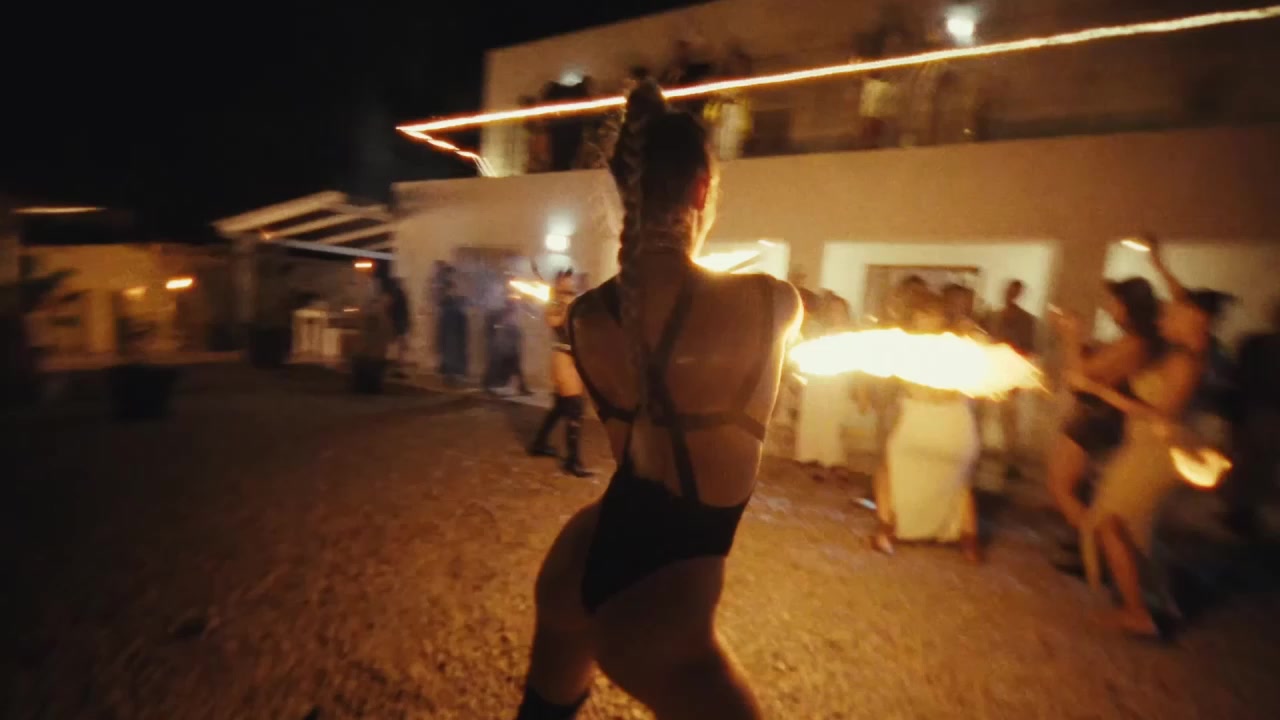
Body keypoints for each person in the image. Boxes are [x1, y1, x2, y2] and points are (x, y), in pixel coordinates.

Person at [513, 81, 801, 720]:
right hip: (665, 611)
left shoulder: (587, 316)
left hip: (581, 559)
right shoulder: (771, 304)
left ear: (627, 191)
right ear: (702, 189)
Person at [1066, 291, 1218, 637]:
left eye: (1172, 315)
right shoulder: (1178, 354)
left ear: (1193, 321)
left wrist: (1103, 393)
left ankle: (1138, 612)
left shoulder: (1186, 361)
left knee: (1110, 523)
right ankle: (1150, 603)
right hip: (1143, 448)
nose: (1163, 319)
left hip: (1157, 453)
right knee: (1130, 528)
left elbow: (1164, 415)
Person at [1045, 277, 1165, 570]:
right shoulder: (1133, 340)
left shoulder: (1135, 343)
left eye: (1114, 302)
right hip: (1098, 417)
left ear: (1128, 306)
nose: (1109, 307)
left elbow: (1081, 377)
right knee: (1080, 488)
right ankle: (1088, 545)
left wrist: (1071, 337)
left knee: (1061, 486)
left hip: (1098, 419)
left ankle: (1098, 552)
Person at [870, 291, 982, 562]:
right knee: (960, 482)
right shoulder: (961, 346)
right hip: (955, 422)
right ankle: (969, 540)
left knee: (887, 471)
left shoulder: (908, 348)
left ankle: (886, 529)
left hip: (926, 422)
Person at [1222, 299, 1280, 539]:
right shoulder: (1255, 344)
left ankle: (1241, 517)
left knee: (1248, 465)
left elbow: (1237, 380)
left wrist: (1233, 416)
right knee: (1262, 466)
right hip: (1267, 414)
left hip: (1252, 414)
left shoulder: (1253, 344)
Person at [528, 270, 593, 477]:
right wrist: (561, 301)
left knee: (560, 407)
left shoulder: (574, 300)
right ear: (559, 283)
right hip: (563, 358)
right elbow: (554, 322)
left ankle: (539, 444)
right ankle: (572, 461)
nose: (570, 284)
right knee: (574, 407)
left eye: (571, 280)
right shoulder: (555, 303)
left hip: (574, 358)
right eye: (566, 281)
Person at [794, 290, 853, 479]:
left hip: (838, 383)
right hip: (818, 383)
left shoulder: (851, 336)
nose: (837, 315)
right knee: (814, 418)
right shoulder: (819, 333)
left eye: (841, 311)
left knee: (832, 421)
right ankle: (810, 457)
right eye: (834, 310)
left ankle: (832, 460)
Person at [985, 279, 1038, 480]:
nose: (1010, 295)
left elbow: (1029, 348)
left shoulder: (1025, 320)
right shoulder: (993, 316)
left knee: (1008, 418)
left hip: (1009, 374)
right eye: (1009, 291)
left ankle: (1011, 460)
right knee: (986, 414)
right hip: (990, 370)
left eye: (1014, 292)